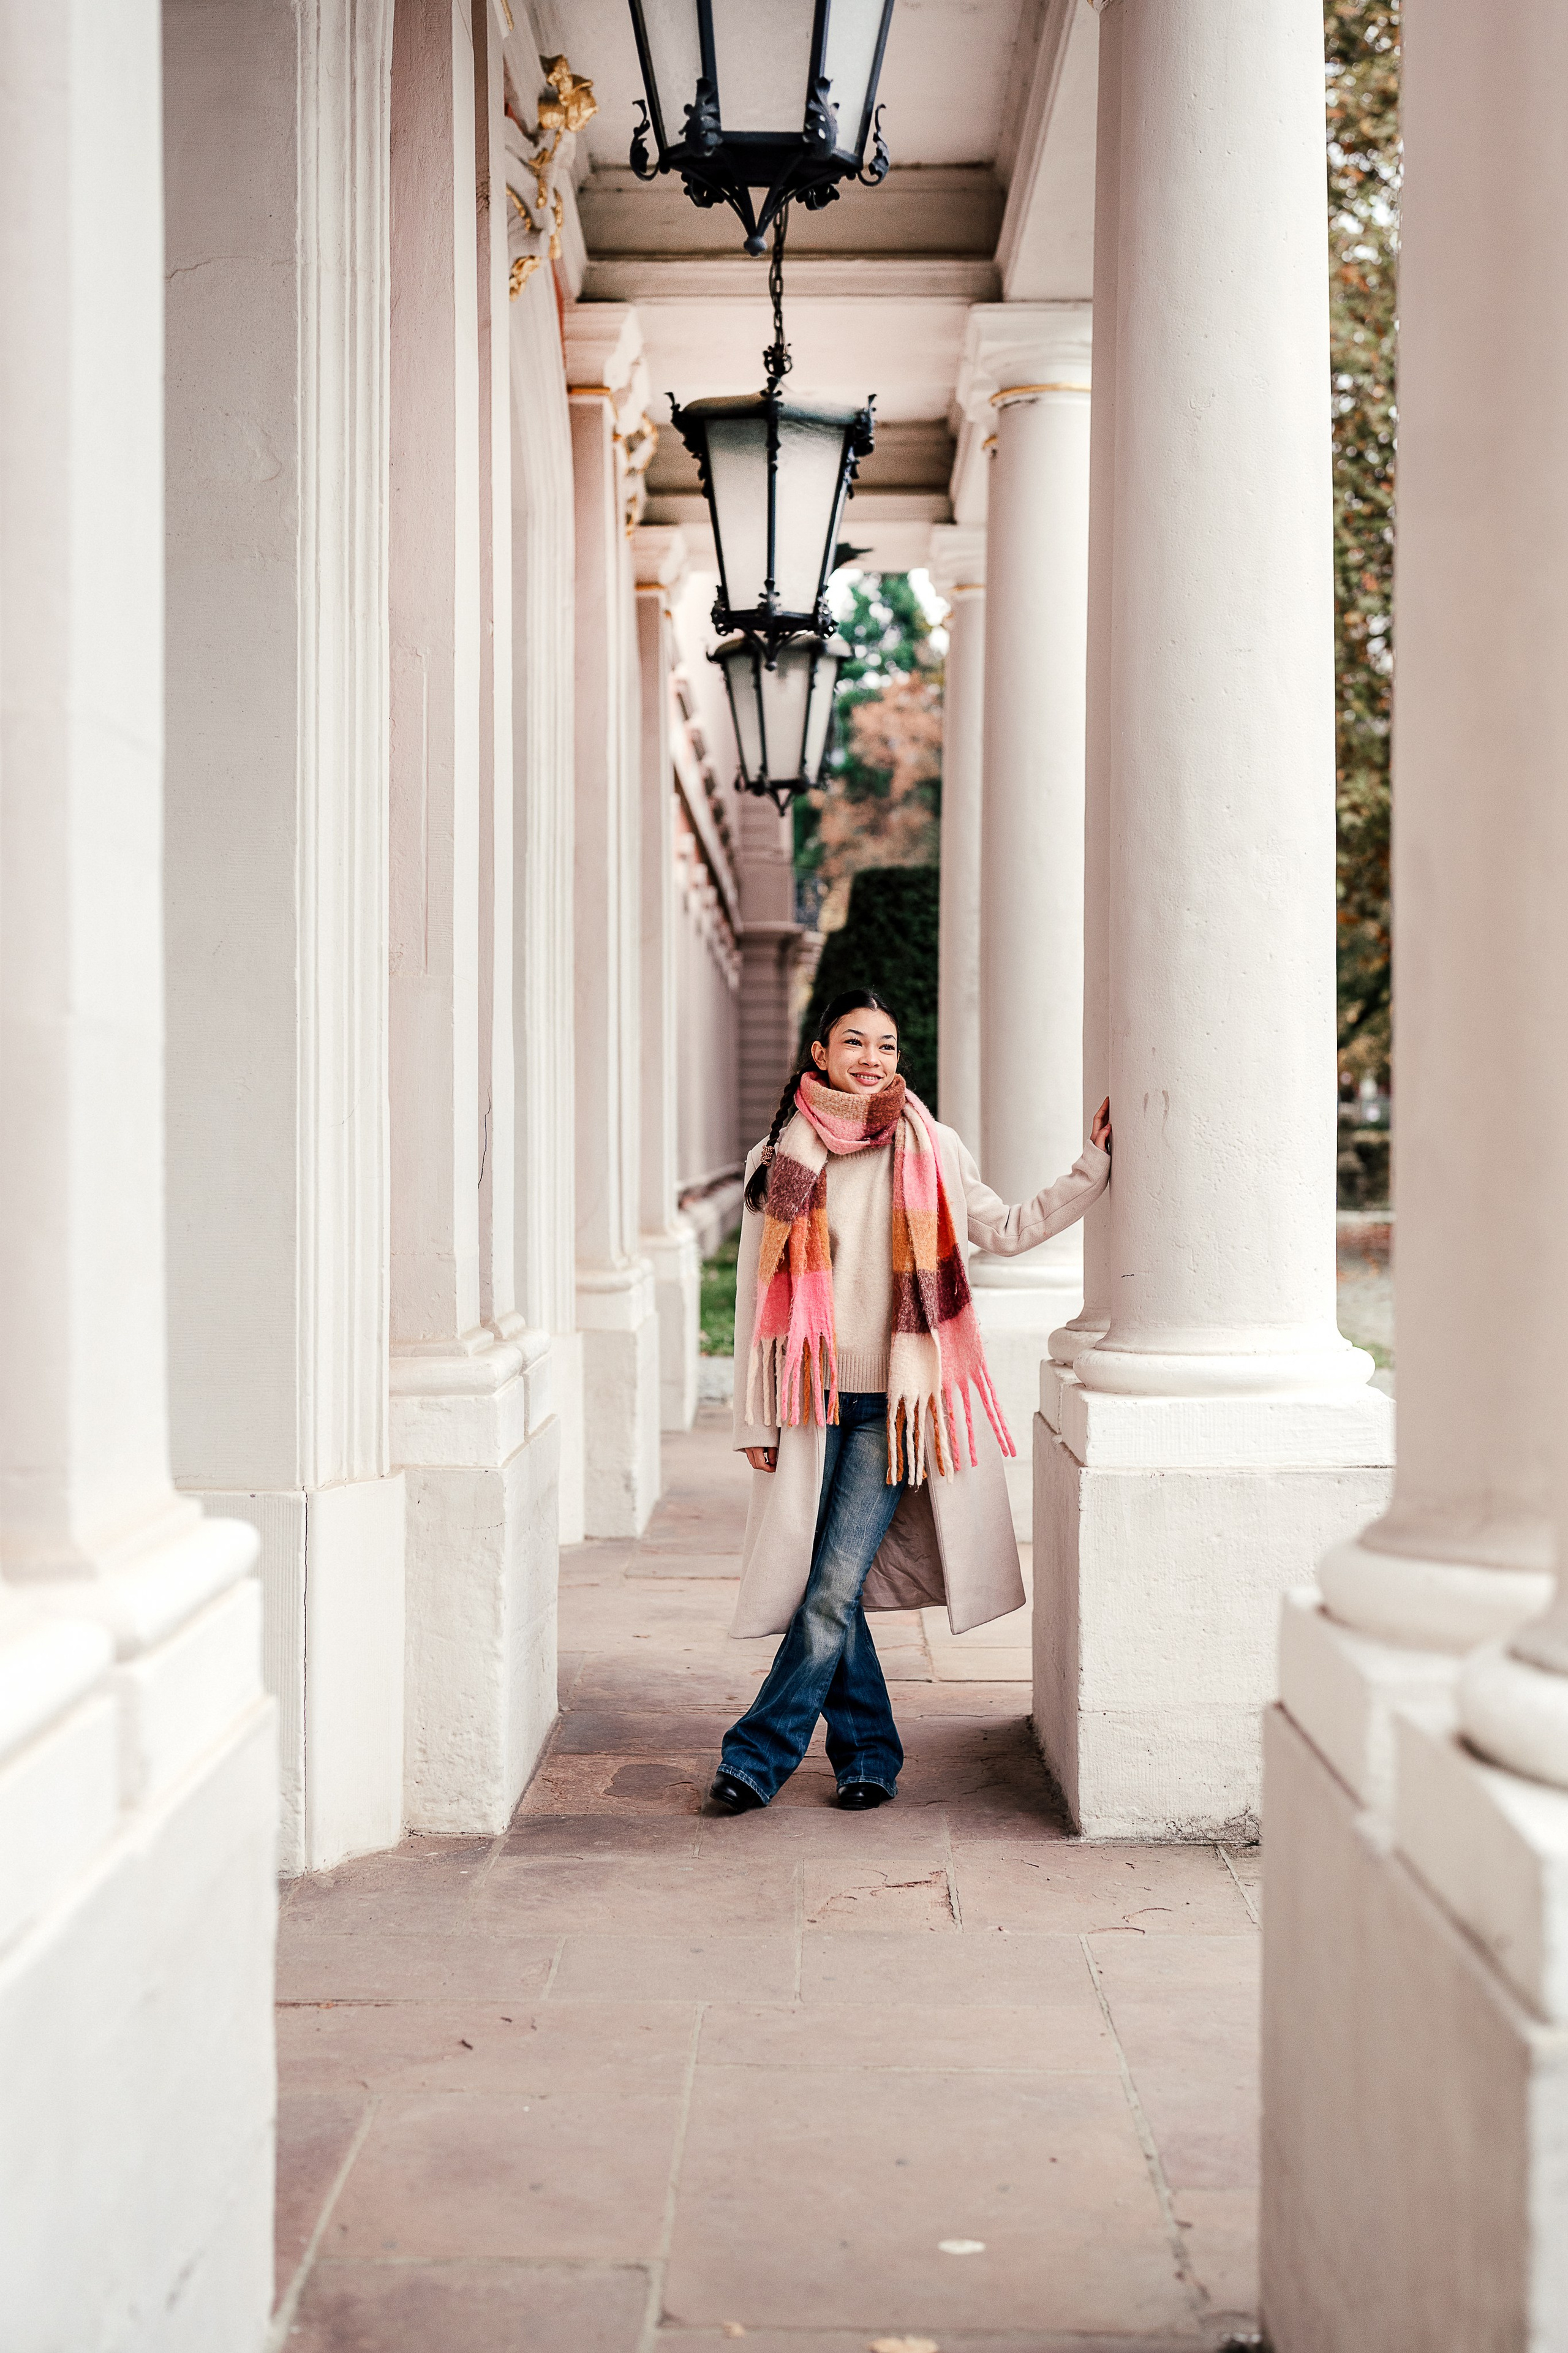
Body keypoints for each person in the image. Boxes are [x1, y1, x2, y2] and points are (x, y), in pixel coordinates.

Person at [707, 986, 1112, 1815]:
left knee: (826, 1590)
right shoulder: (776, 1159)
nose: (872, 1058)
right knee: (829, 1590)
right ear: (818, 1053)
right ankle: (868, 1756)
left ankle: (755, 1755)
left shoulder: (930, 1146)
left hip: (893, 1412)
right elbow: (756, 1302)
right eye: (854, 1042)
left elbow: (1004, 1228)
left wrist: (1092, 1169)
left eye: (886, 1045)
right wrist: (752, 1420)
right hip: (807, 1403)